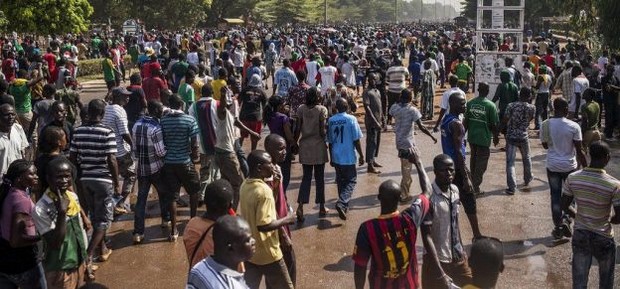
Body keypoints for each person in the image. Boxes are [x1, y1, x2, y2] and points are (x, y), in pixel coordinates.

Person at [353, 173, 453, 289]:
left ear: (379, 198)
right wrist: (418, 162)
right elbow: (427, 191)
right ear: (400, 197)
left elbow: (360, 266)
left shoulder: (367, 229)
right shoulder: (410, 218)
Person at [562, 141, 620, 289]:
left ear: (589, 155)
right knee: (606, 281)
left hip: (581, 234)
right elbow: (619, 217)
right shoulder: (614, 184)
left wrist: (578, 216)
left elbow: (564, 205)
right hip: (603, 236)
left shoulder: (573, 178)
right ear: (607, 158)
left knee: (579, 282)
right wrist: (609, 220)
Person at [69, 99, 117, 270]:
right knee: (103, 220)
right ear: (102, 114)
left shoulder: (78, 131)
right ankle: (87, 257)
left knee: (94, 216)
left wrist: (77, 179)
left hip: (84, 180)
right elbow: (111, 159)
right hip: (103, 180)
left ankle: (103, 249)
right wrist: (117, 182)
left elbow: (72, 159)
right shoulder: (107, 132)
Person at [238, 150, 295, 289]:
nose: (273, 167)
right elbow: (263, 225)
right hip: (269, 253)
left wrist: (275, 187)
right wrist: (287, 219)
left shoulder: (245, 184)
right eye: (269, 164)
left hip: (251, 252)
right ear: (259, 168)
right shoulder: (264, 191)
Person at [33, 158, 93, 286]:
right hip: (60, 267)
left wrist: (85, 258)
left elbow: (79, 233)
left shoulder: (72, 197)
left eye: (67, 176)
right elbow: (55, 244)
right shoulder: (41, 208)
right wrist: (61, 213)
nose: (64, 181)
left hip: (79, 260)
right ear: (49, 179)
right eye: (59, 177)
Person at [421, 154, 473, 289]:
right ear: (435, 172)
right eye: (444, 170)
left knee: (471, 285)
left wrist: (462, 250)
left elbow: (455, 224)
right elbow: (426, 236)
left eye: (451, 170)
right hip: (438, 260)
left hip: (458, 256)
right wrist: (440, 273)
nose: (449, 173)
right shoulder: (429, 199)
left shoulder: (455, 190)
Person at [540, 97, 587, 239]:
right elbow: (580, 151)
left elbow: (545, 145)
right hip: (569, 167)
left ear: (554, 108)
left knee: (555, 196)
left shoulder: (545, 124)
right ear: (566, 110)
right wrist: (587, 169)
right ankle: (567, 219)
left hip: (553, 165)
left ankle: (558, 225)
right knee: (570, 195)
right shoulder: (574, 126)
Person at [159, 94, 201, 241]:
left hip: (169, 163)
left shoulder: (163, 121)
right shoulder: (189, 120)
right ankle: (193, 221)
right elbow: (194, 144)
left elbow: (162, 140)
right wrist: (195, 158)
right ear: (181, 105)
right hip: (185, 161)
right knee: (194, 191)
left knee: (172, 196)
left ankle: (174, 230)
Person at [441, 93, 482, 239]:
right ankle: (476, 235)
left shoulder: (446, 120)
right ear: (453, 104)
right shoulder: (457, 124)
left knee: (451, 204)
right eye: (462, 103)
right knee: (469, 200)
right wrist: (466, 177)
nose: (465, 106)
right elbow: (458, 151)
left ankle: (452, 235)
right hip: (458, 168)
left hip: (448, 168)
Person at [0, 160, 46, 289]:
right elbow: (15, 241)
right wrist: (43, 236)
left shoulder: (9, 193)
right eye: (32, 174)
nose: (36, 176)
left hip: (4, 261)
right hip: (22, 263)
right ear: (19, 178)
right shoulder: (21, 201)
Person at [215, 86, 260, 209]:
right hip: (226, 153)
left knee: (227, 181)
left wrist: (252, 132)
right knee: (238, 183)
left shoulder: (229, 115)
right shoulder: (222, 114)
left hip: (221, 152)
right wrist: (223, 95)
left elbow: (237, 122)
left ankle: (225, 207)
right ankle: (232, 211)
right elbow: (222, 107)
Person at [389, 88, 437, 202]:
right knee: (407, 170)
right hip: (408, 144)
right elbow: (421, 126)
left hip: (400, 142)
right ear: (410, 98)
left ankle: (406, 190)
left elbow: (390, 114)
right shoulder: (412, 110)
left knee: (409, 166)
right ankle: (404, 194)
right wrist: (432, 136)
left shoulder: (394, 107)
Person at [131, 100, 168, 244]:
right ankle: (166, 219)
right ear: (154, 111)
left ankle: (138, 232)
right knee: (163, 194)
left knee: (141, 200)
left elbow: (134, 149)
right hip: (156, 168)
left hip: (141, 168)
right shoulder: (156, 128)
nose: (161, 112)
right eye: (160, 110)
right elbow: (160, 152)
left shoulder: (136, 125)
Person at [186, 215, 255, 289]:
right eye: (247, 240)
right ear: (230, 248)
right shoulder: (231, 286)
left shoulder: (198, 268)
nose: (253, 241)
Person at [264, 134, 296, 287]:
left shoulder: (276, 168)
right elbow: (270, 208)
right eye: (280, 149)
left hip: (281, 224)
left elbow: (279, 196)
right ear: (269, 151)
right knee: (286, 274)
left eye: (285, 148)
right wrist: (283, 234)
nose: (284, 152)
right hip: (277, 229)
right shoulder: (268, 176)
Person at [295, 87, 329, 221]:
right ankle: (321, 206)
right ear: (317, 97)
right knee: (320, 178)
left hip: (305, 146)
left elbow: (297, 128)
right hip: (318, 146)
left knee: (306, 178)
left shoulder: (301, 109)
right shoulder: (322, 109)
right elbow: (322, 131)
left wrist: (294, 143)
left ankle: (300, 206)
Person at [327, 98, 364, 220]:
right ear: (347, 107)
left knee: (341, 180)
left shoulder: (331, 120)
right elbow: (356, 139)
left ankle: (343, 205)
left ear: (336, 108)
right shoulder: (351, 119)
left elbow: (330, 142)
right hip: (347, 155)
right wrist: (362, 156)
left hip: (336, 155)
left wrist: (331, 157)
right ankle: (342, 203)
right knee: (351, 180)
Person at [184, 179, 235, 268]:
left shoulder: (192, 224)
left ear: (205, 201)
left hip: (196, 277)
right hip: (217, 280)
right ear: (230, 206)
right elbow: (239, 268)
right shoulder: (226, 235)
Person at [102, 87, 135, 215]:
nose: (127, 98)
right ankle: (119, 202)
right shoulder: (119, 110)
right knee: (131, 175)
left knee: (111, 178)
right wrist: (133, 145)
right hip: (120, 152)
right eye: (125, 96)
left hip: (107, 150)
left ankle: (111, 203)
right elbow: (124, 133)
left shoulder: (106, 108)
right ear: (117, 97)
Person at [464, 83, 499, 195]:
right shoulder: (491, 106)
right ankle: (474, 187)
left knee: (473, 161)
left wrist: (462, 137)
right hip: (483, 139)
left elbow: (466, 122)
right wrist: (496, 137)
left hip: (472, 138)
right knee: (481, 165)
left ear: (478, 90)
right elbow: (493, 124)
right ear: (488, 91)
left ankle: (472, 185)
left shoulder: (470, 103)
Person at [504, 87, 536, 195]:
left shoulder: (511, 106)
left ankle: (512, 187)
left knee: (510, 163)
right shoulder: (532, 107)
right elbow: (530, 119)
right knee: (526, 158)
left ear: (519, 94)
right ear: (529, 96)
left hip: (511, 137)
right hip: (523, 136)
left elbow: (505, 119)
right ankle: (527, 179)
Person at [239, 75, 267, 151]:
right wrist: (265, 119)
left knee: (241, 136)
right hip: (256, 118)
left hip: (244, 117)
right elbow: (265, 107)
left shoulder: (245, 90)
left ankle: (238, 153)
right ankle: (253, 154)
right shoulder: (261, 92)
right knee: (254, 138)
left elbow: (238, 102)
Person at [0, 103, 29, 178]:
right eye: (7, 114)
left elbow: (24, 151)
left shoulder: (18, 129)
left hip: (17, 178)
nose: (10, 117)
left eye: (13, 114)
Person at [361, 73, 383, 174]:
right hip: (371, 121)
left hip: (379, 120)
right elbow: (367, 108)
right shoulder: (366, 92)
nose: (374, 81)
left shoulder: (377, 91)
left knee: (377, 141)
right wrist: (375, 121)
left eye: (375, 79)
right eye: (373, 79)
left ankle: (373, 160)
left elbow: (380, 106)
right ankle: (369, 165)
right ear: (369, 80)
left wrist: (383, 119)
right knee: (371, 142)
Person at [492, 70, 519, 136]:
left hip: (503, 109)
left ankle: (507, 142)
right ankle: (509, 143)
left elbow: (496, 97)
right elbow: (517, 98)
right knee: (511, 126)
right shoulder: (515, 86)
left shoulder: (501, 85)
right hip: (513, 109)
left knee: (503, 126)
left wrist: (491, 103)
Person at [385, 60, 409, 126]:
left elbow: (387, 79)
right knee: (402, 105)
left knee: (390, 105)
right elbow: (407, 77)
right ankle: (401, 120)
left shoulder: (389, 69)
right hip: (401, 90)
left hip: (391, 90)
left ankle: (389, 120)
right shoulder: (404, 69)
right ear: (401, 63)